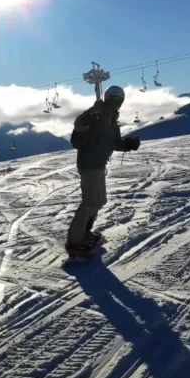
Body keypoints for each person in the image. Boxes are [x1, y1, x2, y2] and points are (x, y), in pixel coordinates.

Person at [67, 84, 140, 256]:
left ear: (121, 102)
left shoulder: (113, 121)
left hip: (99, 163)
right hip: (89, 163)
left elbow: (115, 143)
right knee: (90, 202)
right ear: (106, 98)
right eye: (111, 99)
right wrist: (88, 117)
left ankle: (85, 232)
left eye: (118, 99)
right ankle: (75, 241)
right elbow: (79, 125)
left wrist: (129, 144)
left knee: (100, 201)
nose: (114, 102)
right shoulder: (96, 112)